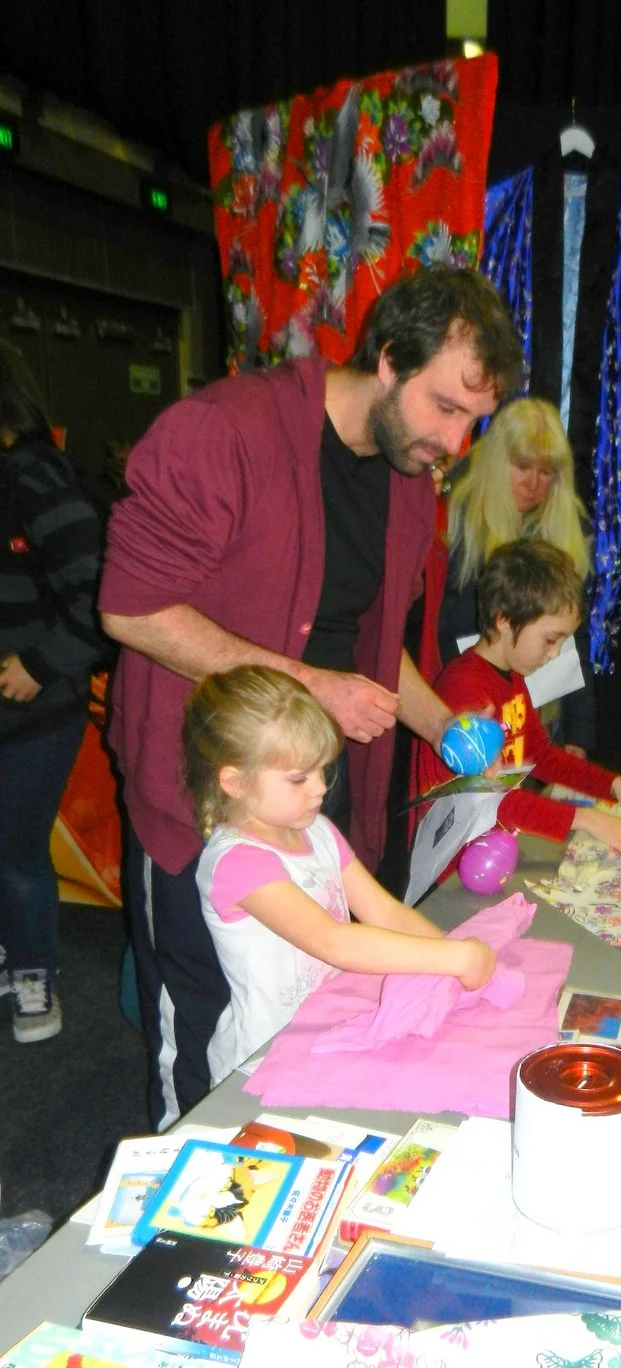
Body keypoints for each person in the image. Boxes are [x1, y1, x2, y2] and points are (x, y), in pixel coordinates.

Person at [99, 265, 523, 1128]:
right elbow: (129, 607)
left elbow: (370, 645)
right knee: (203, 1034)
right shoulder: (227, 431)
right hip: (204, 802)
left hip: (305, 802)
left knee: (299, 1014)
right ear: (391, 358)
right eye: (445, 407)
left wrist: (441, 722)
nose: (455, 440)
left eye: (472, 423)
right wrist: (313, 689)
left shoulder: (407, 483)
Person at [185, 666, 497, 1086]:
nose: (319, 789)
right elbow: (334, 941)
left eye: (322, 771)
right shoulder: (238, 862)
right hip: (267, 1063)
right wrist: (456, 958)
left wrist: (449, 957)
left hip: (327, 1031)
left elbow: (384, 911)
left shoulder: (316, 831)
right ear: (234, 782)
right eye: (298, 778)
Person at [0, 340, 109, 1043]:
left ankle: (35, 969)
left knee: (15, 847)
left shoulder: (33, 474)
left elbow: (105, 594)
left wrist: (38, 663)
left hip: (38, 708)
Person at [417, 541, 621, 857]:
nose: (556, 653)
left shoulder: (512, 677)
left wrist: (612, 785)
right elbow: (484, 798)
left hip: (489, 851)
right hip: (448, 866)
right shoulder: (465, 691)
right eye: (550, 639)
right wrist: (583, 819)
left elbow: (540, 756)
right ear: (504, 619)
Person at [440, 396, 595, 752]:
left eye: (546, 472)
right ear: (497, 462)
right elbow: (441, 628)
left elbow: (575, 637)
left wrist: (579, 735)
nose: (534, 484)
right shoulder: (455, 519)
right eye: (523, 466)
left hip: (542, 712)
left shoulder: (570, 527)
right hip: (468, 705)